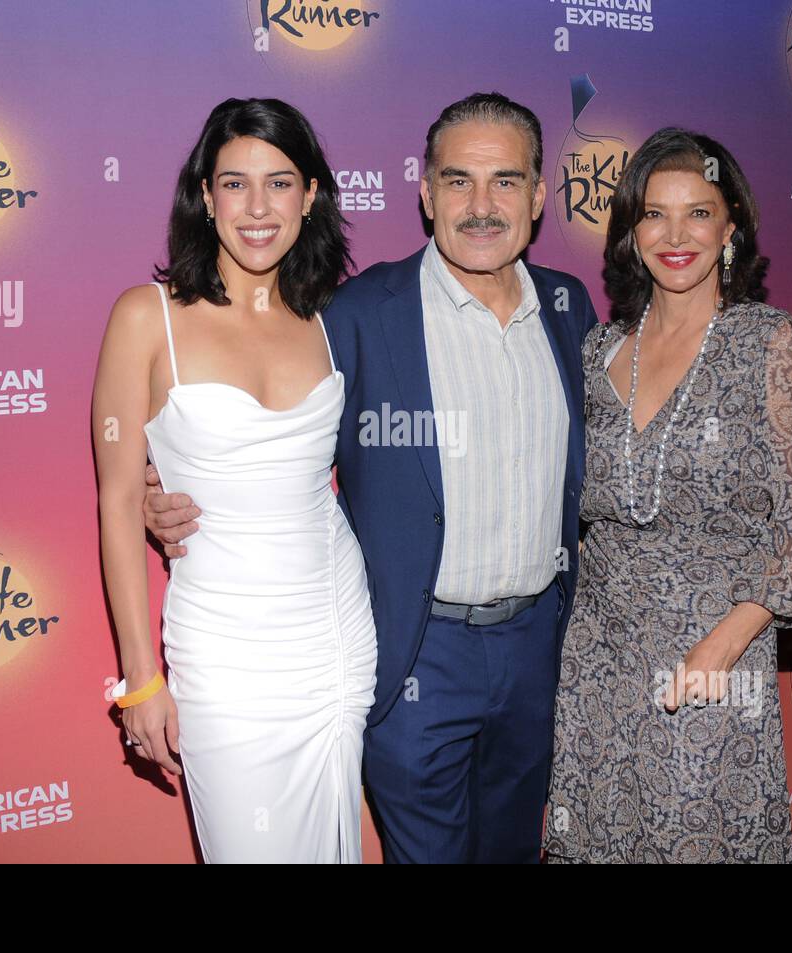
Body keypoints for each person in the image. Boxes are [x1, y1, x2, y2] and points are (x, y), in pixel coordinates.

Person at [145, 92, 599, 863]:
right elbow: (269, 431)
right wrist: (167, 493)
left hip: (536, 651)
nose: (481, 206)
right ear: (424, 193)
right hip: (412, 656)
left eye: (506, 182)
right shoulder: (355, 313)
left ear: (540, 195)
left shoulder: (570, 308)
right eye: (457, 181)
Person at [92, 97, 376, 863]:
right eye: (235, 183)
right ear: (205, 194)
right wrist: (140, 682)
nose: (258, 208)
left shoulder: (332, 317)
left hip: (335, 634)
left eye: (280, 183)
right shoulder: (145, 318)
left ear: (310, 195)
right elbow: (119, 500)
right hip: (223, 648)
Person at [545, 127, 792, 863]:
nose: (675, 235)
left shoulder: (770, 346)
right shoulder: (595, 351)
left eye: (698, 213)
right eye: (654, 214)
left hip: (712, 657)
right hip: (597, 660)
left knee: (694, 838)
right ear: (630, 231)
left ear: (731, 224)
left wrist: (722, 645)